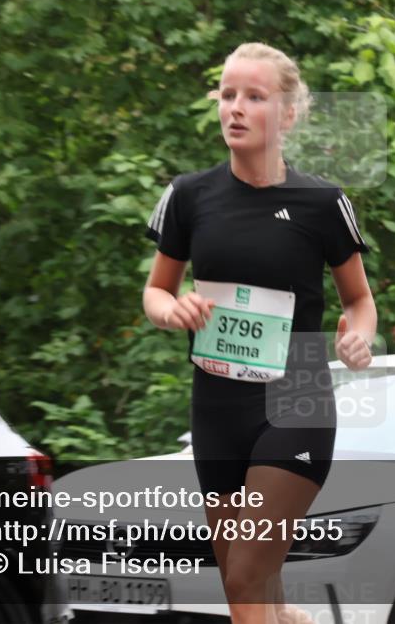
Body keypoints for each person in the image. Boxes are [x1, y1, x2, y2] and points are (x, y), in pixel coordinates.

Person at [143, 42, 376, 624]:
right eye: (227, 95)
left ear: (288, 113)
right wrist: (172, 311)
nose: (236, 108)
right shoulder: (189, 196)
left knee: (247, 575)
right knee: (248, 590)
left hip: (295, 399)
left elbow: (358, 300)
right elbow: (156, 291)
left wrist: (358, 337)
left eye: (254, 96)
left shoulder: (322, 202)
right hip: (215, 404)